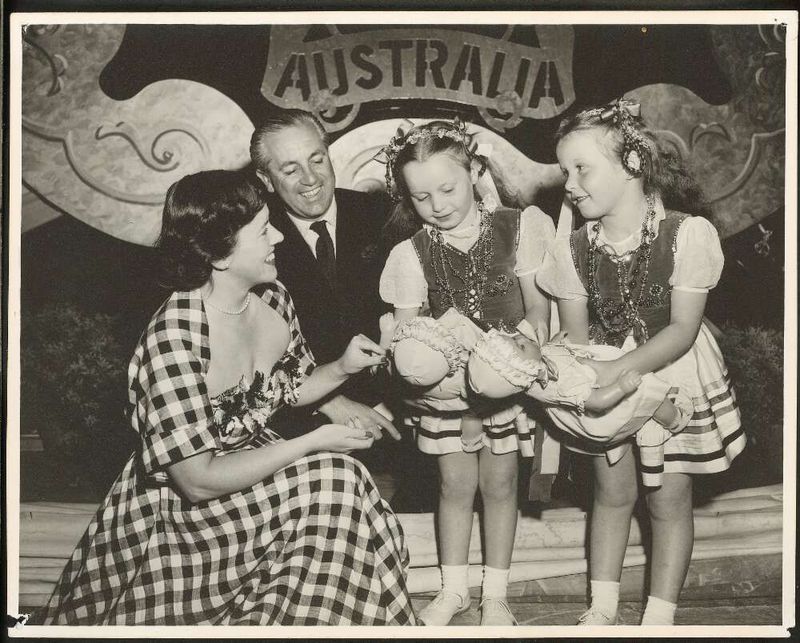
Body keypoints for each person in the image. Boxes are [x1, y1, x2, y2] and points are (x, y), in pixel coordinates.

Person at [35, 169, 415, 626]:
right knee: (334, 480)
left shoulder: (273, 298)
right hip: (182, 518)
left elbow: (286, 391)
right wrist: (313, 442)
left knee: (340, 481)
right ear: (219, 254)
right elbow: (197, 480)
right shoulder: (174, 338)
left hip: (256, 477)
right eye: (262, 230)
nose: (278, 235)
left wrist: (341, 367)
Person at [536, 100, 745, 626]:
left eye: (582, 168)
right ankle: (601, 609)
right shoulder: (573, 250)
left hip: (670, 370)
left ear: (632, 162)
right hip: (606, 373)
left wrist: (622, 368)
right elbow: (579, 341)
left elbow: (682, 329)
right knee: (611, 491)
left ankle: (659, 615)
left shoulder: (686, 234)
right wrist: (572, 372)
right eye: (565, 171)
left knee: (667, 497)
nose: (571, 183)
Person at [377, 118, 555, 626]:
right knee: (454, 488)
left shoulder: (519, 227)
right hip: (448, 393)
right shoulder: (410, 254)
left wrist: (508, 359)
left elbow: (539, 315)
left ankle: (494, 594)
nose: (437, 205)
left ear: (476, 170)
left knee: (499, 487)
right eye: (420, 197)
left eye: (447, 188)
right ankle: (453, 588)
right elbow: (410, 337)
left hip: (504, 384)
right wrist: (429, 367)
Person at [249, 110, 398, 439]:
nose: (310, 179)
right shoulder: (251, 242)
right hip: (302, 420)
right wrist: (331, 403)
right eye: (291, 169)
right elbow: (245, 351)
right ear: (265, 180)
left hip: (404, 408)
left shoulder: (385, 215)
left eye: (317, 159)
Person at [467, 322, 695, 489]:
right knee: (646, 394)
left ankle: (649, 421)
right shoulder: (558, 385)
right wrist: (622, 388)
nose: (522, 338)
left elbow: (546, 355)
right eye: (521, 347)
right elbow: (596, 403)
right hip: (603, 412)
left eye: (516, 338)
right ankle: (673, 418)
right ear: (524, 371)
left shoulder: (537, 367)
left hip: (591, 375)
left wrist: (555, 343)